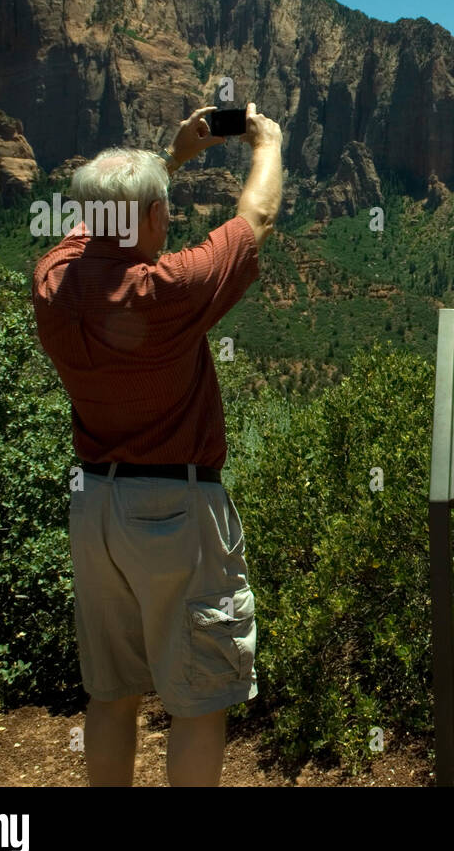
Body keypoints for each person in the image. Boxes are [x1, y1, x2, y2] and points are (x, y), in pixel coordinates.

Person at [32, 102, 283, 785]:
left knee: (111, 693)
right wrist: (267, 144)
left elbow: (90, 228)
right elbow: (252, 220)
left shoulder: (53, 280)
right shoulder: (164, 292)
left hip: (95, 509)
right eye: (162, 208)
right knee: (199, 700)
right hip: (174, 513)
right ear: (148, 218)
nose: (169, 219)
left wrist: (163, 163)